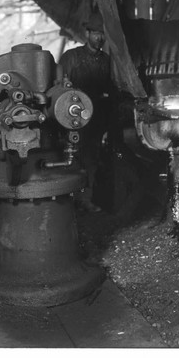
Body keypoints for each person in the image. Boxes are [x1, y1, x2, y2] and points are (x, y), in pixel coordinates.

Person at [59, 11, 113, 213]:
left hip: (96, 119)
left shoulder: (106, 61)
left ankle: (86, 200)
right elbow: (59, 88)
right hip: (70, 119)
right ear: (88, 33)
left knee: (91, 159)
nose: (99, 37)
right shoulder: (71, 58)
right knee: (72, 158)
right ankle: (69, 202)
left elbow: (111, 90)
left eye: (103, 34)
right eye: (96, 33)